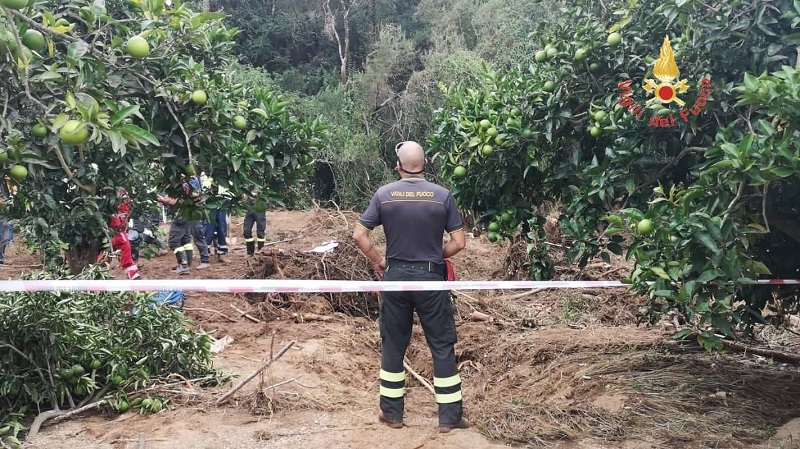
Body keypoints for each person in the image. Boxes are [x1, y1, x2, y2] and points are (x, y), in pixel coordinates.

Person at [353, 141, 468, 433]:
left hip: (396, 278)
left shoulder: (384, 195)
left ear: (398, 166)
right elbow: (459, 242)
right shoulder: (443, 196)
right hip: (431, 280)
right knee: (441, 345)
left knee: (393, 343)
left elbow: (359, 236)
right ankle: (449, 418)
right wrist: (433, 256)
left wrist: (380, 260)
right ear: (425, 164)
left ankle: (392, 414)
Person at [157, 175, 210, 274]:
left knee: (174, 242)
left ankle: (184, 265)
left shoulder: (184, 182)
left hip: (183, 214)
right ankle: (187, 263)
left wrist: (163, 200)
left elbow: (174, 201)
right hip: (191, 214)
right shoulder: (194, 180)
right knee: (185, 239)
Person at [108, 188, 140, 280]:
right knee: (121, 244)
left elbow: (125, 210)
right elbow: (112, 211)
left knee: (109, 251)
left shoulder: (123, 191)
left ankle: (133, 274)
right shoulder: (113, 191)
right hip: (114, 229)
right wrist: (117, 225)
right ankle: (133, 275)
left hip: (119, 227)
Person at [201, 173, 229, 258]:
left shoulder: (226, 176)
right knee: (209, 229)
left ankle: (222, 253)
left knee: (222, 228)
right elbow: (203, 190)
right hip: (210, 206)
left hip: (222, 205)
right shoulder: (205, 176)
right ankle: (205, 255)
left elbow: (229, 190)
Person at [243, 187, 266, 257]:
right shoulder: (247, 183)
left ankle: (260, 251)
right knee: (246, 231)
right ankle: (250, 253)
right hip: (250, 209)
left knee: (260, 231)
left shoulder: (262, 182)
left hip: (259, 209)